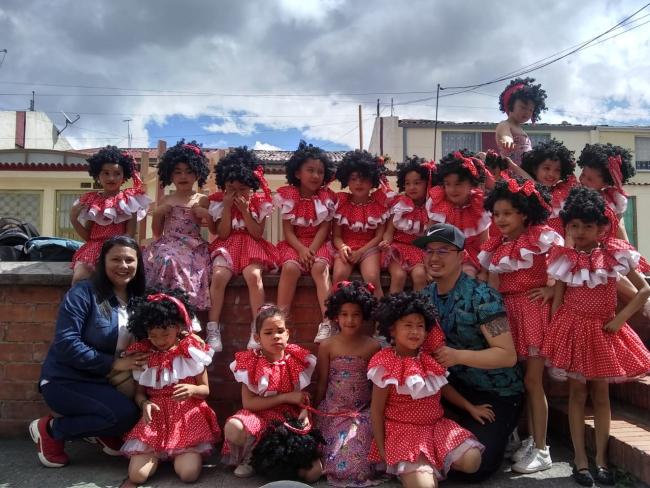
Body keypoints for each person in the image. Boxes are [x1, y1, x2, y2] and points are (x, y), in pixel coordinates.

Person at [540, 187, 650, 487]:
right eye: (574, 225)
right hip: (573, 331)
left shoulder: (613, 255)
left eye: (587, 226)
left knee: (601, 396)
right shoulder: (564, 258)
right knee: (577, 395)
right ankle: (580, 460)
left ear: (601, 228)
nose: (580, 231)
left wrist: (619, 319)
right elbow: (559, 300)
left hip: (604, 331)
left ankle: (602, 460)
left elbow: (644, 290)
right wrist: (556, 335)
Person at [414, 223, 524, 482]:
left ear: (462, 256)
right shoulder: (424, 297)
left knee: (476, 466)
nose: (433, 258)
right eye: (429, 251)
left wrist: (457, 355)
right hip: (450, 389)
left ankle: (506, 431)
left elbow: (507, 355)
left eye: (443, 251)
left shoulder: (482, 296)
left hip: (494, 393)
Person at [29, 235, 148, 468]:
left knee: (142, 404)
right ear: (103, 262)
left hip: (106, 380)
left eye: (129, 260)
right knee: (125, 415)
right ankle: (51, 430)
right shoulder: (83, 293)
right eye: (116, 259)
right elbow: (66, 343)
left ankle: (102, 429)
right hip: (67, 379)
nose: (123, 265)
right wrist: (113, 363)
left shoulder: (138, 297)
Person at [479, 176, 563, 473]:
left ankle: (542, 449)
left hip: (533, 312)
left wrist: (551, 290)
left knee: (532, 381)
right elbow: (492, 281)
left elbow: (566, 265)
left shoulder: (540, 236)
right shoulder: (497, 244)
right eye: (496, 214)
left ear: (525, 214)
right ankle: (522, 438)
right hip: (507, 314)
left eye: (507, 213)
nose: (500, 219)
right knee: (512, 380)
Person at [368, 292, 483, 488]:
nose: (415, 331)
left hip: (436, 428)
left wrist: (470, 407)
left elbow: (444, 389)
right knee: (425, 486)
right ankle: (414, 470)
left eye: (420, 326)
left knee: (473, 461)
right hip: (404, 433)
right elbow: (376, 410)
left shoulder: (428, 359)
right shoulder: (386, 363)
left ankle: (432, 465)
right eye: (408, 325)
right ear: (392, 329)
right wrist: (382, 449)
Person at [120, 289, 221, 484]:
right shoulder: (144, 355)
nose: (159, 341)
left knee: (188, 474)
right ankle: (158, 455)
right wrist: (144, 404)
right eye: (153, 335)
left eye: (165, 334)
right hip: (155, 419)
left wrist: (192, 390)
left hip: (186, 419)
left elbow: (205, 390)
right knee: (137, 476)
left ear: (178, 327)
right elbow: (139, 393)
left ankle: (180, 455)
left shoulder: (190, 352)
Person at [221, 305, 321, 481]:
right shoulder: (251, 362)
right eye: (268, 333)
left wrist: (304, 413)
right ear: (257, 338)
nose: (276, 336)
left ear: (287, 334)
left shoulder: (295, 359)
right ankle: (250, 457)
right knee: (233, 427)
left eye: (280, 331)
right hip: (258, 417)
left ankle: (278, 464)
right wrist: (285, 397)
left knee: (313, 473)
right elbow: (249, 403)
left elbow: (302, 398)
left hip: (287, 419)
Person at [206, 147, 278, 351]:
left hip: (250, 245)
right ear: (224, 185)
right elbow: (222, 234)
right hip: (227, 245)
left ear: (251, 187)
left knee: (254, 276)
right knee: (218, 276)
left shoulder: (259, 203)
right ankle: (213, 328)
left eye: (243, 189)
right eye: (231, 188)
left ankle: (257, 328)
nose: (237, 193)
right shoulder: (219, 203)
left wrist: (246, 211)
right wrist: (228, 208)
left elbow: (257, 233)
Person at [314, 281, 383, 487]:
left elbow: (375, 387)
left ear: (364, 316)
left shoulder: (373, 346)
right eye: (344, 314)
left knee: (359, 464)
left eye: (356, 314)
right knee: (330, 457)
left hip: (361, 413)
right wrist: (315, 412)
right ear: (336, 315)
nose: (350, 320)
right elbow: (322, 382)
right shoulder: (327, 346)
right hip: (333, 412)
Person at [274, 140, 337, 343]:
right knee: (290, 268)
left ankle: (328, 321)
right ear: (297, 173)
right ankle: (280, 320)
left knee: (320, 268)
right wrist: (301, 249)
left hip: (319, 243)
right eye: (310, 170)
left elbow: (325, 228)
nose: (315, 175)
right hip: (295, 243)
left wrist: (311, 250)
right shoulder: (290, 196)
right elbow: (288, 231)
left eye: (320, 171)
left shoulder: (326, 197)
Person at [143, 140, 212, 315]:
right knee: (164, 258)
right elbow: (157, 232)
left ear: (197, 173)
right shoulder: (166, 199)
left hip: (192, 246)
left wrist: (205, 213)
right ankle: (162, 306)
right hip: (167, 243)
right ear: (170, 174)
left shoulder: (202, 199)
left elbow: (213, 229)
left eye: (189, 171)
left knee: (176, 261)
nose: (183, 176)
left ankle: (185, 306)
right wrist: (158, 213)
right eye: (178, 172)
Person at [70, 146, 151, 284]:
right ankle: (80, 299)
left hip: (120, 249)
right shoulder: (92, 201)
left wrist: (114, 251)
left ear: (124, 176)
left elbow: (130, 234)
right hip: (93, 250)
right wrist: (74, 219)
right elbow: (88, 236)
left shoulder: (129, 201)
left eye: (117, 173)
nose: (111, 177)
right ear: (97, 175)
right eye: (106, 173)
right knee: (80, 277)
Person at [331, 149, 390, 299]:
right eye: (353, 179)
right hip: (347, 248)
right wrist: (343, 247)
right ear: (346, 181)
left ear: (373, 180)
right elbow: (336, 236)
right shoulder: (341, 202)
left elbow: (379, 236)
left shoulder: (379, 203)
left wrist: (361, 252)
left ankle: (381, 313)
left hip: (370, 248)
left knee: (372, 277)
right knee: (339, 275)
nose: (358, 183)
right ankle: (335, 312)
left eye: (364, 178)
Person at [426, 150, 491, 277]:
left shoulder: (479, 205)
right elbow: (429, 237)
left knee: (467, 274)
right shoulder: (438, 202)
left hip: (468, 255)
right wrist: (428, 264)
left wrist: (484, 271)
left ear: (471, 183)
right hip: (440, 254)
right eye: (448, 184)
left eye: (458, 184)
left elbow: (485, 243)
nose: (452, 189)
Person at [379, 156, 434, 293]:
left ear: (428, 183)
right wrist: (386, 242)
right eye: (407, 183)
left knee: (420, 275)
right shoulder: (400, 204)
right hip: (397, 250)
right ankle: (393, 306)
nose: (411, 187)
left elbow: (431, 236)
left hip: (420, 252)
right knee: (399, 276)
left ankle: (419, 305)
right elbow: (389, 231)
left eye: (417, 183)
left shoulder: (431, 208)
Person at [521, 138, 578, 237]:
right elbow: (533, 184)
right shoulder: (527, 191)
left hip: (560, 244)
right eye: (546, 168)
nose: (551, 174)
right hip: (534, 243)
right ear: (534, 169)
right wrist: (511, 164)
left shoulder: (561, 192)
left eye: (557, 170)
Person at [495, 78, 548, 166]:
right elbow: (505, 134)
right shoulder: (505, 124)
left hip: (523, 169)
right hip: (511, 169)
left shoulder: (521, 130)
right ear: (511, 105)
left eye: (531, 110)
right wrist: (508, 140)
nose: (527, 112)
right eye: (523, 107)